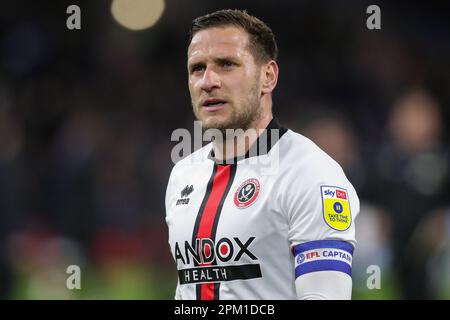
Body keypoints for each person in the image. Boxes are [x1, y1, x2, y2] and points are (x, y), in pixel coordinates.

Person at [165, 9, 359, 300]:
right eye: (197, 68)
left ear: (268, 77)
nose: (208, 81)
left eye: (226, 64)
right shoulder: (182, 176)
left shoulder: (310, 174)